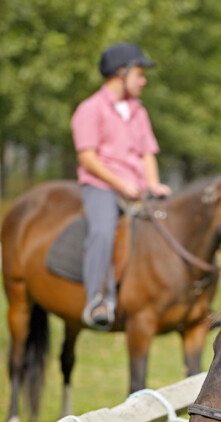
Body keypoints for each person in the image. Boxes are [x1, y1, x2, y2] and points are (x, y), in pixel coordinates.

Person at [70, 42, 171, 330]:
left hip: (137, 188)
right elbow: (87, 157)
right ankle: (97, 299)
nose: (144, 80)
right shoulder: (89, 110)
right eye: (139, 73)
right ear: (120, 73)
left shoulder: (138, 111)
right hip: (102, 186)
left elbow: (147, 152)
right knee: (103, 230)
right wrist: (121, 184)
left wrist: (153, 183)